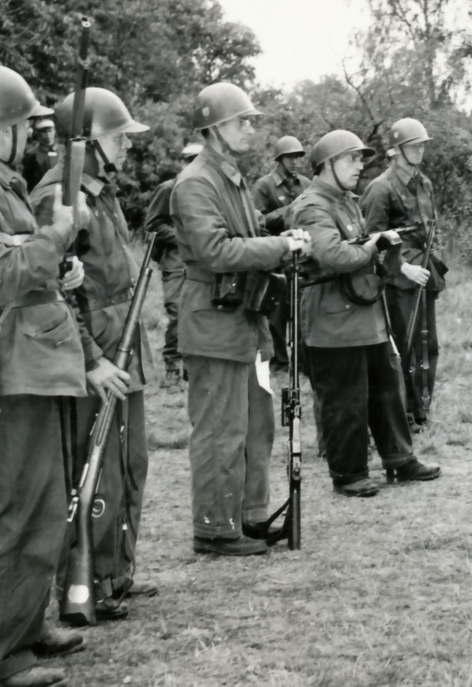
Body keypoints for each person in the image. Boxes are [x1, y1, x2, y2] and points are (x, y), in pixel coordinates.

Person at [0, 65, 101, 687]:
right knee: (14, 511)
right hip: (9, 367)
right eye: (27, 126)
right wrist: (57, 234)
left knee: (45, 504)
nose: (33, 136)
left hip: (32, 362)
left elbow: (22, 262)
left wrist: (57, 266)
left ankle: (25, 625)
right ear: (2, 129)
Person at [30, 88, 156, 624]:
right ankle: (88, 578)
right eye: (119, 135)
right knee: (92, 468)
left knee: (128, 461)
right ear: (90, 141)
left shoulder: (98, 191)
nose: (128, 144)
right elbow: (52, 290)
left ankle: (115, 571)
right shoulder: (58, 195)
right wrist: (88, 358)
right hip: (91, 349)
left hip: (119, 341)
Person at [172, 82, 312, 556]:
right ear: (214, 129)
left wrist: (281, 231)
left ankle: (249, 515)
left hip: (243, 320)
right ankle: (214, 528)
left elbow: (247, 229)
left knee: (255, 426)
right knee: (219, 432)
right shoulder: (195, 182)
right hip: (214, 322)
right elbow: (215, 250)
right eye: (242, 120)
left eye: (250, 120)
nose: (250, 127)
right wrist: (280, 245)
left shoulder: (227, 176)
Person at [291, 130, 441, 495]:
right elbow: (333, 255)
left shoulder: (346, 201)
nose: (360, 165)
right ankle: (349, 474)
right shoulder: (313, 205)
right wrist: (374, 244)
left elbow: (357, 246)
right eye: (352, 158)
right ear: (327, 164)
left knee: (388, 390)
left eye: (361, 159)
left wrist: (383, 247)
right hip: (332, 320)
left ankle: (399, 460)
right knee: (345, 399)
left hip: (365, 313)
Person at [361, 118, 447, 430]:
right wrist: (403, 267)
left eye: (423, 144)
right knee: (403, 347)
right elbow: (371, 243)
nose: (420, 150)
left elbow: (429, 227)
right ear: (395, 150)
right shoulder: (379, 189)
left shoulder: (425, 183)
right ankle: (402, 413)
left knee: (427, 345)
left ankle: (422, 409)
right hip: (398, 276)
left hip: (423, 270)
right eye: (413, 145)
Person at [145, 143, 202, 387]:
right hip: (174, 259)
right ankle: (172, 364)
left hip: (200, 260)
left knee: (196, 313)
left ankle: (191, 364)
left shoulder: (205, 189)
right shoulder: (168, 189)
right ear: (183, 162)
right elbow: (153, 224)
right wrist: (183, 236)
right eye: (190, 159)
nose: (193, 164)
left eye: (198, 159)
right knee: (178, 311)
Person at [252, 136, 311, 368]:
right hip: (277, 257)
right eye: (290, 157)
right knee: (276, 312)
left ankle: (302, 360)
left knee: (301, 310)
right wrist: (287, 210)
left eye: (298, 156)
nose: (295, 161)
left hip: (303, 257)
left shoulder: (306, 184)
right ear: (279, 158)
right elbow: (258, 223)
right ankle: (279, 359)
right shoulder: (264, 186)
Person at [22, 116, 57, 192]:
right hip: (40, 195)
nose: (48, 135)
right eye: (44, 132)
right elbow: (27, 180)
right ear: (39, 134)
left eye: (50, 131)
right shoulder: (32, 154)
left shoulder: (62, 150)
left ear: (54, 132)